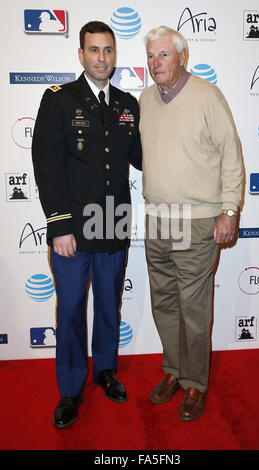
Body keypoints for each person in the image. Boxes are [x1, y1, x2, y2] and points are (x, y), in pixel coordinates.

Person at [32, 21, 142, 428]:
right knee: (72, 311)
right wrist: (59, 225)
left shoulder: (129, 104)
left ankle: (106, 371)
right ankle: (71, 389)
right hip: (73, 232)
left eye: (108, 50)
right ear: (81, 55)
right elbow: (46, 164)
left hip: (114, 225)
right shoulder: (59, 100)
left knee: (110, 306)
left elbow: (145, 158)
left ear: (115, 55)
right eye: (94, 50)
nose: (101, 58)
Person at [139, 26, 243, 421]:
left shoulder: (206, 96)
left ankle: (195, 383)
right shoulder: (145, 99)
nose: (156, 63)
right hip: (156, 221)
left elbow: (231, 157)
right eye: (151, 56)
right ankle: (173, 372)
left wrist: (229, 211)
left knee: (194, 308)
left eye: (164, 55)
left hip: (199, 222)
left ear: (182, 56)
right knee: (164, 304)